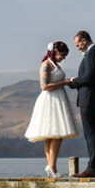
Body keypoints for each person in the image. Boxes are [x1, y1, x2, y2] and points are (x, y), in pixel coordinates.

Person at [23, 41, 79, 178]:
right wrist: (65, 82)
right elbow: (44, 86)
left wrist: (68, 83)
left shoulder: (55, 65)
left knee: (53, 134)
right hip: (50, 101)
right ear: (54, 52)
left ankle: (51, 167)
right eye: (62, 54)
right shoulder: (46, 65)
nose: (64, 57)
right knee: (56, 134)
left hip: (59, 98)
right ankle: (52, 166)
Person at [68, 30, 95, 177]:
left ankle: (93, 168)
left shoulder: (93, 54)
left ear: (84, 40)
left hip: (90, 99)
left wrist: (74, 81)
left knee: (91, 134)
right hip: (93, 98)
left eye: (78, 45)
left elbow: (89, 77)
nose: (78, 48)